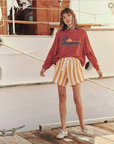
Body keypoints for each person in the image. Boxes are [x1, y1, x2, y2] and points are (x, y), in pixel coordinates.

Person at [40, 7, 103, 139]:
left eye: (68, 15)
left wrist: (97, 67)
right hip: (61, 66)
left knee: (77, 99)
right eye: (64, 17)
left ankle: (83, 126)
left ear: (73, 16)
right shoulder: (59, 34)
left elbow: (89, 52)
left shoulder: (82, 33)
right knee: (62, 98)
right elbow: (52, 52)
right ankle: (63, 130)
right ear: (62, 20)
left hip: (75, 65)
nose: (67, 18)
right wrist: (45, 67)